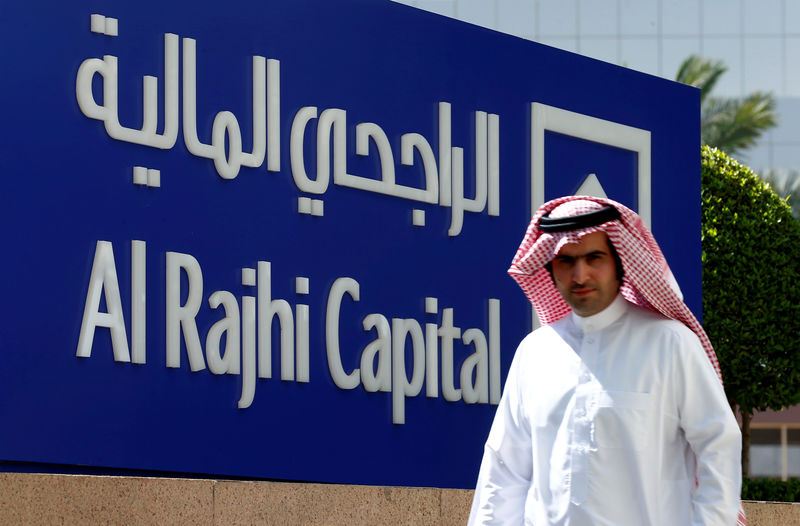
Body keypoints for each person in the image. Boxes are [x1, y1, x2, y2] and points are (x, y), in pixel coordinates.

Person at [468, 196, 744, 525]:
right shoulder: (535, 352)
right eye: (565, 261)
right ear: (550, 268)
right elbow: (503, 473)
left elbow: (717, 446)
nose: (579, 275)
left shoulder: (670, 344)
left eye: (593, 257)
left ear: (620, 263)